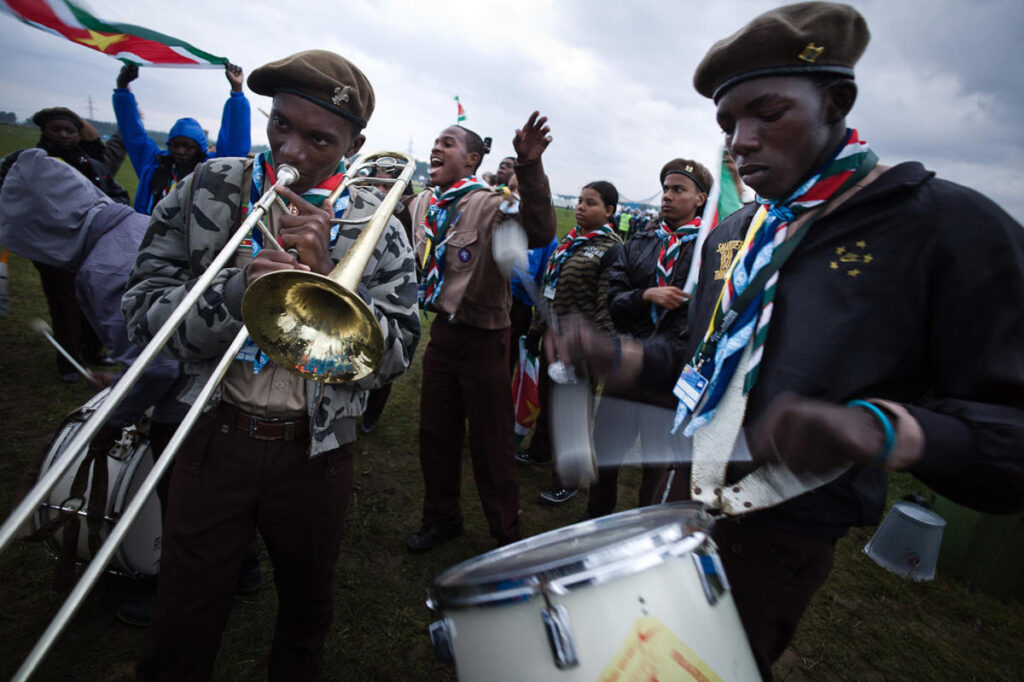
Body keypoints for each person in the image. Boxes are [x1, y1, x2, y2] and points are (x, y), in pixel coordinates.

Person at [547, 3, 1024, 679]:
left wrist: (887, 432)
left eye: (766, 113)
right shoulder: (739, 235)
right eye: (728, 122)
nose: (741, 140)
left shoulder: (943, 227)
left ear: (837, 101)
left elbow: (1010, 437)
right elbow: (699, 361)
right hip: (683, 495)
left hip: (783, 534)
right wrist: (620, 357)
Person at [122, 50, 419, 680]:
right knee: (184, 612)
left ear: (355, 143)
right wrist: (236, 292)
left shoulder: (380, 228)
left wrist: (337, 294)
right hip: (210, 433)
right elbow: (141, 316)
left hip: (315, 452)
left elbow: (394, 357)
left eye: (320, 139)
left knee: (307, 610)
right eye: (280, 124)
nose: (294, 152)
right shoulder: (206, 187)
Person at [406, 114, 557, 552]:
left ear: (472, 159)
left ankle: (506, 534)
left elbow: (542, 228)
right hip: (443, 338)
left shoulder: (493, 202)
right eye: (435, 141)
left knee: (490, 445)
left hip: (487, 339)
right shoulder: (425, 204)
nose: (436, 147)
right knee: (436, 433)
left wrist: (530, 168)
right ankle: (441, 517)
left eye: (447, 143)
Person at [585, 159, 712, 519]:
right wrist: (645, 296)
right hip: (624, 369)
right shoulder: (639, 243)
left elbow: (701, 321)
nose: (667, 197)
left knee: (657, 462)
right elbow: (614, 301)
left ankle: (647, 525)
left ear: (700, 198)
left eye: (678, 190)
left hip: (668, 378)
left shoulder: (711, 252)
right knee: (605, 450)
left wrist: (653, 353)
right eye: (666, 189)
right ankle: (596, 519)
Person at [0, 106, 129, 382]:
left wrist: (110, 217)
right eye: (56, 129)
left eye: (69, 130)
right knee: (64, 301)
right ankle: (69, 361)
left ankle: (93, 350)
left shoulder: (91, 166)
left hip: (95, 244)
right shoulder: (31, 165)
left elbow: (118, 194)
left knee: (98, 297)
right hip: (54, 247)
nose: (63, 134)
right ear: (44, 132)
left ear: (77, 134)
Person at [516, 181, 622, 505]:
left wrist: (594, 347)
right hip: (552, 337)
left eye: (590, 203)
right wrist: (537, 326)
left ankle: (569, 479)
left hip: (581, 344)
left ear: (609, 211)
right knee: (550, 402)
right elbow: (551, 285)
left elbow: (607, 305)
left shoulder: (610, 248)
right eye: (579, 200)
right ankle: (540, 451)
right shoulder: (571, 240)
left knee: (572, 412)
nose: (580, 206)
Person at [113, 62, 251, 214]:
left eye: (188, 146)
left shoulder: (212, 169)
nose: (180, 151)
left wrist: (237, 91)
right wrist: (122, 87)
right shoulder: (155, 164)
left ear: (200, 148)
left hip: (192, 236)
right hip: (150, 234)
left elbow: (235, 141)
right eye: (175, 145)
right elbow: (132, 133)